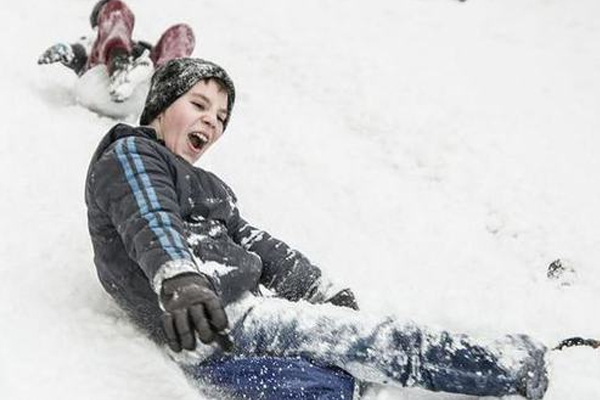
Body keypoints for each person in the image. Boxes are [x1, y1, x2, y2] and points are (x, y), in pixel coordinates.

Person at [85, 57, 550, 399]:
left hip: (219, 339)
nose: (212, 119)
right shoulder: (132, 155)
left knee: (323, 388)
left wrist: (320, 292)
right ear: (162, 106)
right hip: (219, 315)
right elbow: (149, 214)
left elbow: (259, 246)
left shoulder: (211, 188)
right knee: (374, 341)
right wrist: (180, 278)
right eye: (199, 104)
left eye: (221, 117)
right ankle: (504, 365)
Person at [38, 0, 195, 102]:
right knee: (117, 9)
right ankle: (120, 69)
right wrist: (66, 51)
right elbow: (79, 52)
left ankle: (165, 83)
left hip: (145, 96)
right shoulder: (94, 40)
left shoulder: (139, 46)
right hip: (100, 82)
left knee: (182, 32)